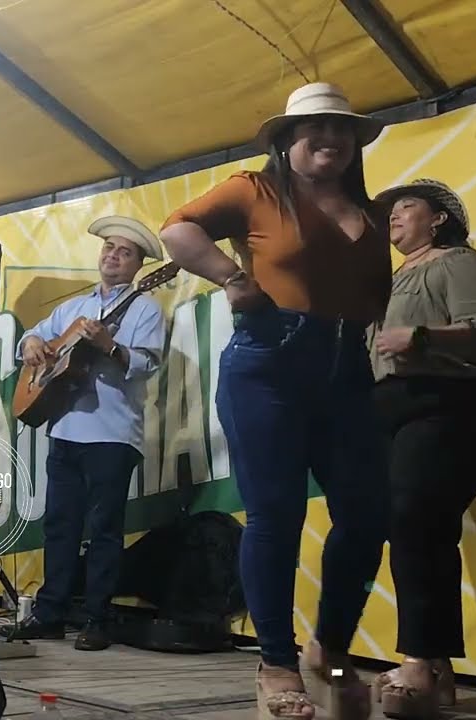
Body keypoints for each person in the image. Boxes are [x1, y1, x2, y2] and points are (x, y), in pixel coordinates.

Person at [159, 82, 391, 720]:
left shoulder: (370, 213)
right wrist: (232, 277)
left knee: (366, 517)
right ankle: (276, 664)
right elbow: (176, 230)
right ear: (287, 139)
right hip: (269, 363)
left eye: (343, 129)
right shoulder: (254, 190)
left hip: (348, 371)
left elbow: (373, 298)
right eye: (316, 127)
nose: (331, 138)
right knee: (276, 515)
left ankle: (330, 654)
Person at [367, 179, 476, 719]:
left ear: (439, 219)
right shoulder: (388, 279)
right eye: (390, 210)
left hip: (452, 403)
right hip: (396, 410)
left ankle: (419, 664)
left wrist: (423, 336)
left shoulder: (457, 261)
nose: (394, 215)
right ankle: (435, 671)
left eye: (407, 206)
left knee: (415, 519)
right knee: (415, 526)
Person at [3, 217, 166, 651]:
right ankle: (50, 614)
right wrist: (30, 345)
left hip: (112, 433)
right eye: (109, 248)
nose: (113, 256)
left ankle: (98, 617)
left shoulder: (146, 309)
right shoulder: (73, 308)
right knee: (60, 525)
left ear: (139, 266)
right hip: (66, 428)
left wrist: (108, 345)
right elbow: (35, 336)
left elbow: (147, 363)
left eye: (124, 252)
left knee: (104, 529)